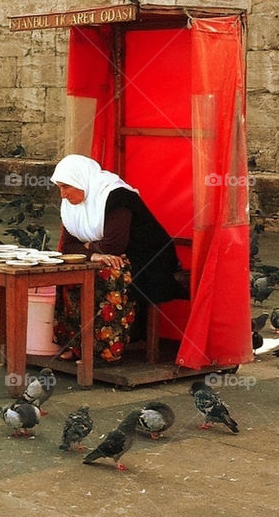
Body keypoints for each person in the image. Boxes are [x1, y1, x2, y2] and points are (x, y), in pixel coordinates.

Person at [50, 154, 188, 363]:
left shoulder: (116, 197)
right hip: (111, 255)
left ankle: (105, 351)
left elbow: (113, 245)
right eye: (59, 187)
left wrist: (87, 248)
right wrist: (94, 253)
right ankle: (76, 345)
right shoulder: (71, 206)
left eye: (66, 187)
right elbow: (68, 247)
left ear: (80, 180)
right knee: (70, 272)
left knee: (109, 276)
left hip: (149, 259)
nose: (63, 194)